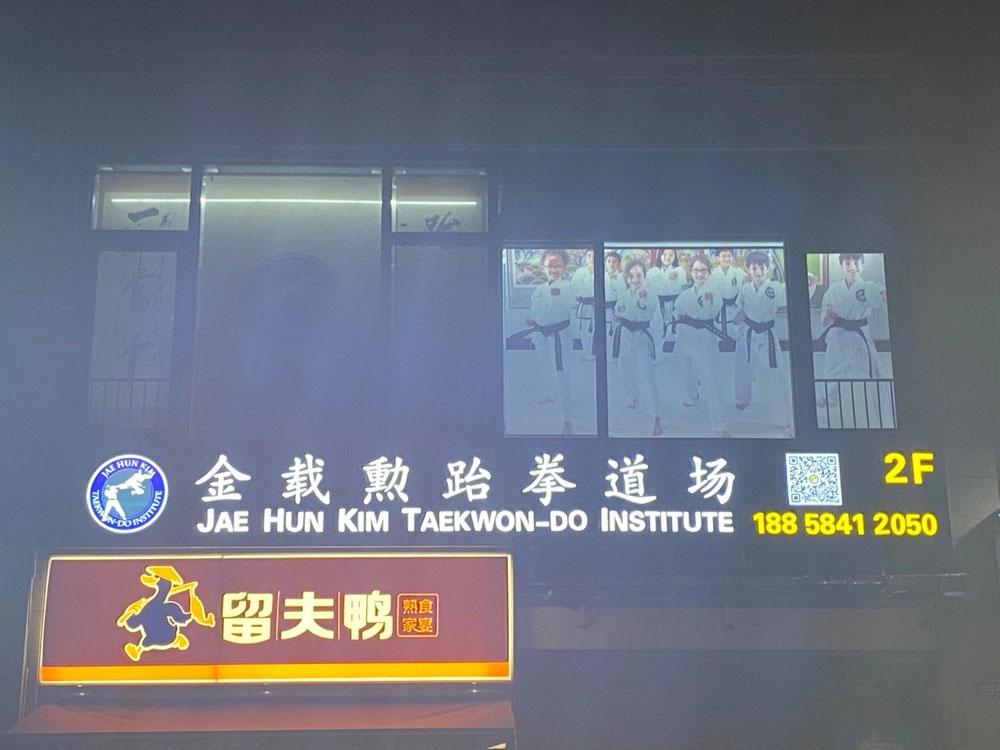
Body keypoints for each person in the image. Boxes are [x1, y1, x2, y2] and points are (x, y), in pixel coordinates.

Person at [813, 253, 888, 421]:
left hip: (859, 337)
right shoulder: (834, 289)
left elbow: (876, 293)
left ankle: (882, 409)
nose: (852, 266)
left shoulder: (866, 287)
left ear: (863, 264)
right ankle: (826, 396)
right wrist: (829, 314)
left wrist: (883, 295)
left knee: (878, 373)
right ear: (841, 266)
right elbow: (826, 309)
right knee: (831, 370)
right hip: (838, 336)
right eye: (848, 263)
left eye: (856, 262)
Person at [674, 254, 732, 436]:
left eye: (703, 270)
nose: (699, 274)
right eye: (696, 270)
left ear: (709, 272)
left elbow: (710, 312)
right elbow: (677, 310)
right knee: (686, 371)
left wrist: (695, 311)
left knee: (710, 380)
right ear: (690, 272)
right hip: (685, 336)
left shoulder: (714, 291)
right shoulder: (685, 292)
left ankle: (721, 424)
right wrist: (683, 317)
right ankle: (692, 397)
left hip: (704, 337)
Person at [733, 251, 792, 432]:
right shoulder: (744, 289)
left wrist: (809, 281)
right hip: (747, 333)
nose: (758, 272)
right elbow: (738, 307)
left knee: (776, 374)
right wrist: (738, 315)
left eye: (762, 268)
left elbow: (792, 293)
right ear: (748, 269)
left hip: (767, 334)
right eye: (754, 268)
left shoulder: (776, 287)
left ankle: (782, 418)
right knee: (742, 368)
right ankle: (742, 398)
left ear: (769, 268)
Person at [526, 249, 575, 435]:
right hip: (541, 334)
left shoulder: (567, 287)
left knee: (562, 374)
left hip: (559, 336)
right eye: (550, 266)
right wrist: (532, 319)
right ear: (543, 267)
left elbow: (559, 308)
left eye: (557, 266)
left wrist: (544, 320)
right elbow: (537, 309)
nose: (553, 270)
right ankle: (550, 392)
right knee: (545, 366)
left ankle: (567, 419)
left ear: (564, 267)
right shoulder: (539, 289)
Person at [612, 260, 663, 436]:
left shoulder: (650, 294)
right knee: (624, 371)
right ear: (626, 277)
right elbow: (618, 313)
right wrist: (619, 319)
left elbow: (649, 315)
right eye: (631, 275)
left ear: (644, 276)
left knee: (647, 376)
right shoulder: (624, 294)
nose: (635, 279)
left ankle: (655, 417)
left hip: (642, 337)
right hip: (625, 336)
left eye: (639, 275)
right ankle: (633, 395)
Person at [645, 247, 687, 355]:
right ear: (660, 256)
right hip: (657, 303)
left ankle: (674, 352)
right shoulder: (652, 272)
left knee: (674, 327)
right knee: (657, 326)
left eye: (671, 255)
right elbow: (647, 289)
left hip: (674, 302)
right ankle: (657, 352)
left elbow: (682, 287)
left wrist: (676, 274)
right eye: (664, 254)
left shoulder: (679, 270)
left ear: (675, 257)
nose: (667, 257)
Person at [711, 248, 748, 338]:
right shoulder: (712, 273)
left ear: (733, 258)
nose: (726, 259)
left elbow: (745, 285)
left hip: (734, 308)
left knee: (736, 333)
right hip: (718, 309)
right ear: (717, 258)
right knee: (718, 334)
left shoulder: (737, 271)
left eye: (729, 256)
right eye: (723, 256)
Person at [572, 249, 597, 361]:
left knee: (600, 330)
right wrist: (577, 296)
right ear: (585, 258)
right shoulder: (580, 272)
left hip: (599, 305)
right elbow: (573, 288)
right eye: (589, 256)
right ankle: (587, 354)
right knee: (584, 331)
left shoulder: (605, 271)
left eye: (594, 255)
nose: (592, 258)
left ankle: (601, 353)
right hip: (584, 305)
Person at [604, 252, 626, 358]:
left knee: (615, 333)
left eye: (614, 262)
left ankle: (615, 356)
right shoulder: (600, 276)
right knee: (604, 333)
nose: (611, 264)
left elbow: (623, 295)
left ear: (619, 263)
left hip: (616, 309)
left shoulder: (623, 277)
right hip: (603, 309)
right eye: (608, 261)